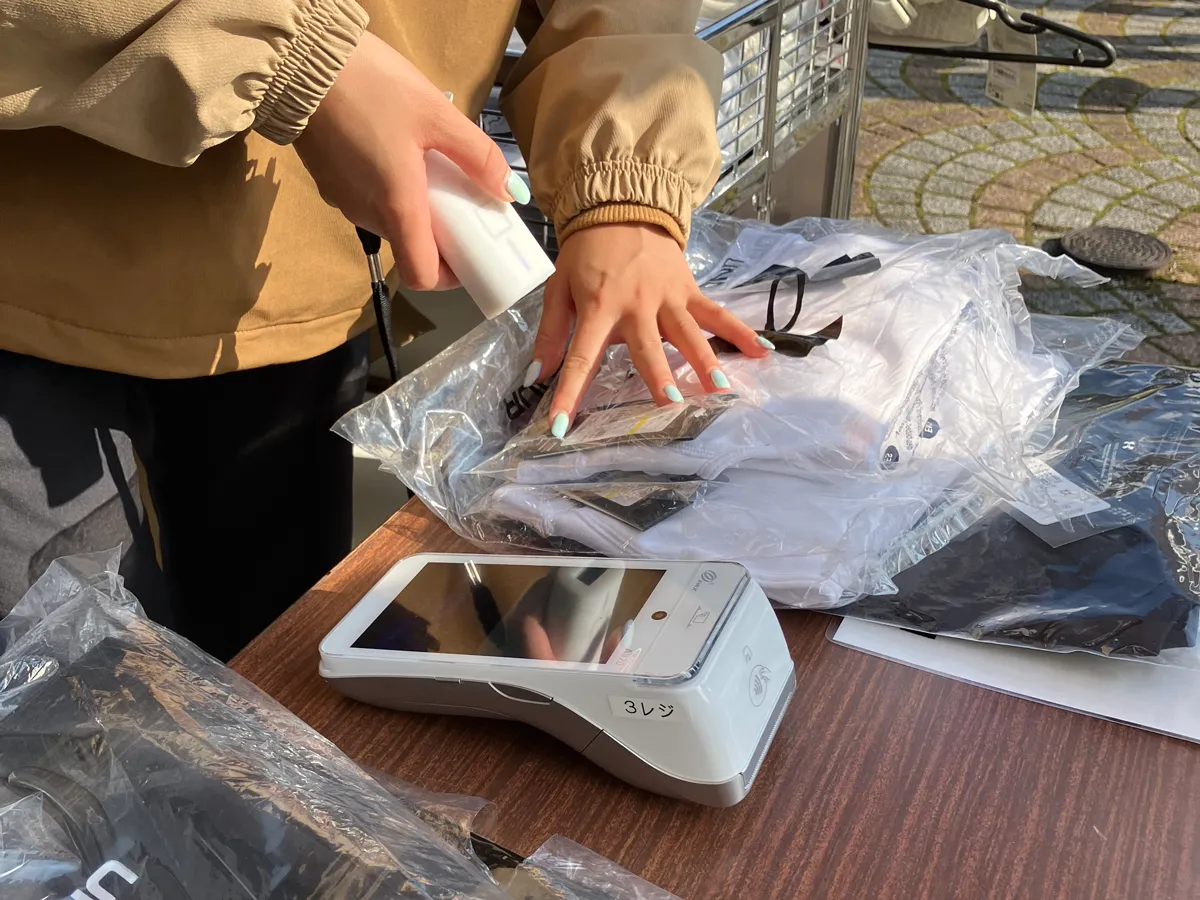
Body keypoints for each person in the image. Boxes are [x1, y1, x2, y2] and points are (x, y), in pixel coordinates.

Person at [0, 0, 767, 660]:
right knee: (59, 707)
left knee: (276, 679)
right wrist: (300, 51)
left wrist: (626, 187)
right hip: (26, 275)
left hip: (298, 289)